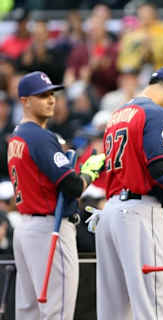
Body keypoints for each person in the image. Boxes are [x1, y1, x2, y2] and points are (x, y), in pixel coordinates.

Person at [8, 71, 104, 320]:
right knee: (56, 312)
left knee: (29, 312)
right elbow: (72, 186)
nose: (50, 100)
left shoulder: (17, 135)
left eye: (52, 94)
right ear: (25, 101)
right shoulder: (38, 136)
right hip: (49, 228)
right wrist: (88, 173)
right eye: (42, 96)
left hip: (27, 227)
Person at [95, 67, 163, 320]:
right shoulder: (155, 113)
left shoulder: (117, 113)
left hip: (110, 212)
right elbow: (159, 168)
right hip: (139, 211)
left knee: (114, 312)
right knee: (152, 308)